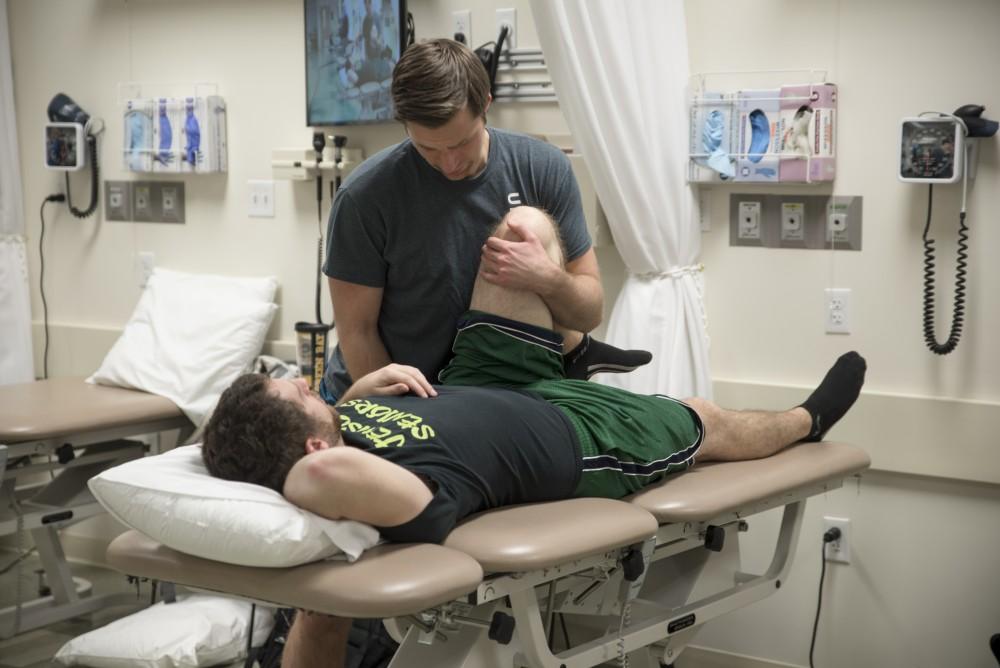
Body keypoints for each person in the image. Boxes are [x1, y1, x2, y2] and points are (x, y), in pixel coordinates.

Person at [204, 206, 867, 668]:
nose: (309, 384)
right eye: (299, 393)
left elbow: (311, 448)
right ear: (313, 452)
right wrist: (317, 442)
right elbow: (323, 484)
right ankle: (807, 420)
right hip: (573, 433)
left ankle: (569, 347)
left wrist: (349, 399)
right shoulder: (364, 485)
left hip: (482, 378)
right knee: (701, 415)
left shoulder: (338, 428)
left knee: (521, 232)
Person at [321, 38, 652, 402]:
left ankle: (570, 358)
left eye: (461, 142)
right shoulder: (365, 197)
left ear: (486, 107)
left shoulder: (542, 168)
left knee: (526, 223)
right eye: (428, 148)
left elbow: (589, 313)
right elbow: (358, 333)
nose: (449, 163)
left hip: (486, 393)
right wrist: (402, 419)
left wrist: (546, 278)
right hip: (392, 389)